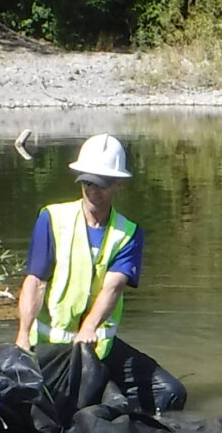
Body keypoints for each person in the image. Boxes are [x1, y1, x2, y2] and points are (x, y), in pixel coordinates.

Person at [15, 134, 182, 416]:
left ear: (118, 183)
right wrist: (22, 335)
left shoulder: (128, 233)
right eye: (88, 182)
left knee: (170, 392)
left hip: (97, 348)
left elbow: (113, 287)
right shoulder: (53, 218)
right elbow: (36, 280)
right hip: (50, 350)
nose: (93, 190)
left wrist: (89, 327)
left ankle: (137, 422)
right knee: (76, 407)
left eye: (101, 184)